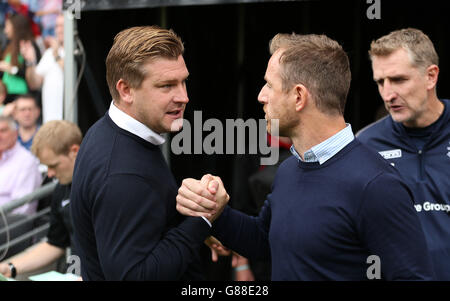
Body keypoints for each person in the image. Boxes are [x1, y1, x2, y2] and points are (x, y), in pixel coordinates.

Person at [175, 33, 434, 280]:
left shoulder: (376, 185)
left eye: (269, 85)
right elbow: (265, 240)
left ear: (299, 96)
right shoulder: (290, 169)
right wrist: (216, 212)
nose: (261, 96)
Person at [70, 26, 211, 280]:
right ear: (126, 90)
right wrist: (203, 219)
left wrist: (192, 225)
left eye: (183, 81)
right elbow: (134, 276)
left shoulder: (107, 133)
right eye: (167, 85)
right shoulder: (122, 175)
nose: (184, 97)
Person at [357, 28, 450, 280]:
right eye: (380, 82)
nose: (388, 94)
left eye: (398, 80)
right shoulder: (364, 145)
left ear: (431, 77)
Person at [0, 120, 81, 279]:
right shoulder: (61, 188)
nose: (49, 174)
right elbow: (55, 243)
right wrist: (11, 267)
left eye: (53, 165)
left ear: (74, 151)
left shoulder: (102, 186)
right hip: (73, 272)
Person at [20, 13, 63, 123]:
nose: (59, 30)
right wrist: (30, 62)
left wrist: (56, 54)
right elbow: (34, 84)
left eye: (63, 26)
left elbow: (71, 74)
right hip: (49, 120)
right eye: (57, 26)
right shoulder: (49, 53)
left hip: (69, 117)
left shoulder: (75, 51)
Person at [0, 115, 41, 215]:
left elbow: (23, 209)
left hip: (8, 224)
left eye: (3, 130)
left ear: (15, 133)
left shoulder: (26, 161)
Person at [0, 13, 39, 103]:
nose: (5, 31)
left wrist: (11, 69)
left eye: (8, 26)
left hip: (22, 95)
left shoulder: (28, 45)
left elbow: (32, 73)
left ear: (16, 26)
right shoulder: (9, 46)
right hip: (7, 94)